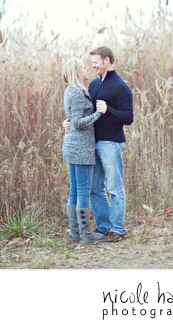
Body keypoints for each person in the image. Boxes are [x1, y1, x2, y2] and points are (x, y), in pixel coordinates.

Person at [64, 45, 133, 242]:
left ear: (107, 61)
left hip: (111, 143)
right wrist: (67, 121)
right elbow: (83, 112)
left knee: (114, 187)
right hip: (91, 145)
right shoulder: (93, 86)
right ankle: (104, 227)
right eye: (91, 63)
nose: (93, 66)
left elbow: (128, 117)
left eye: (96, 63)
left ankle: (118, 228)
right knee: (95, 188)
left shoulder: (121, 86)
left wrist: (108, 110)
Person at [60, 57, 106, 244]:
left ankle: (75, 234)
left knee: (75, 191)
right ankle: (86, 234)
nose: (88, 70)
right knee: (83, 191)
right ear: (77, 72)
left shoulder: (70, 91)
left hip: (72, 146)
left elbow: (72, 117)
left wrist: (67, 121)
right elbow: (78, 123)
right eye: (84, 68)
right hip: (80, 148)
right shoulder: (78, 93)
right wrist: (98, 114)